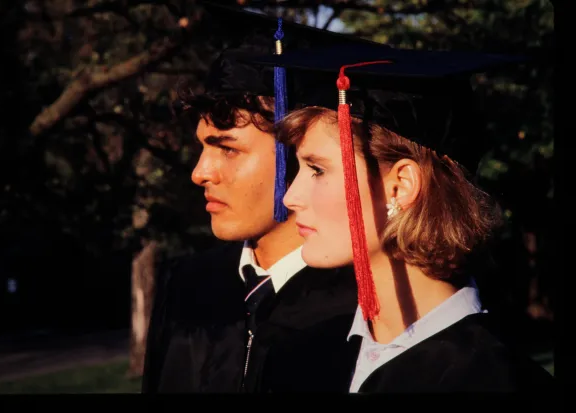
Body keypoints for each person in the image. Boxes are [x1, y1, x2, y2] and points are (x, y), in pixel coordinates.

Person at [244, 44, 556, 392]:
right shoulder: (299, 357)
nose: (290, 197)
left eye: (317, 169)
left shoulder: (496, 381)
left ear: (401, 186)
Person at [141, 5, 388, 393]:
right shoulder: (188, 284)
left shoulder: (368, 303)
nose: (199, 172)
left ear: (294, 154)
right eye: (202, 148)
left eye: (228, 149)